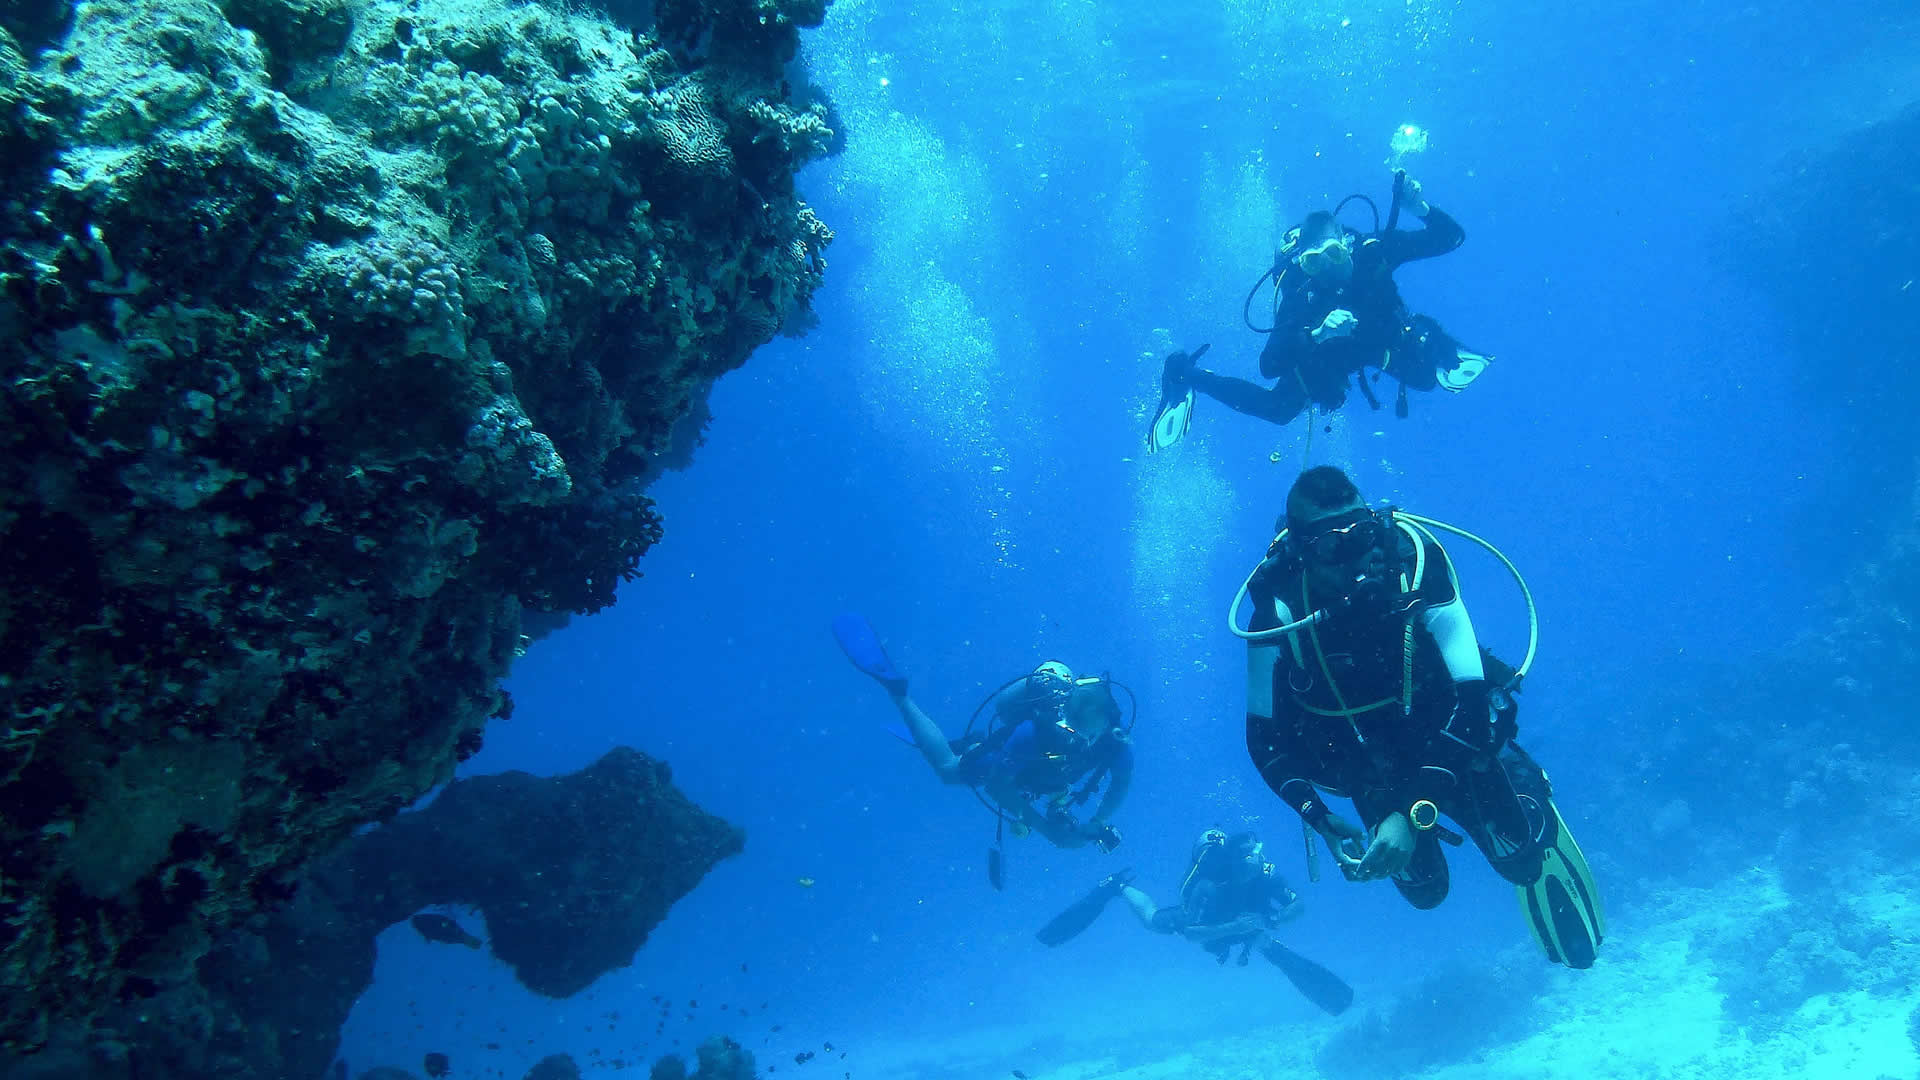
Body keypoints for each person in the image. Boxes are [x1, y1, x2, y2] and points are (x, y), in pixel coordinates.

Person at [1232, 466, 1605, 969]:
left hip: (1450, 736)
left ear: (1374, 527)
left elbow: (1471, 702)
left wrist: (1411, 810)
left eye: (1361, 536)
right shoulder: (1276, 608)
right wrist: (1318, 817)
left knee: (1523, 861)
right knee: (1425, 893)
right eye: (1330, 547)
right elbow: (1263, 741)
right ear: (1299, 549)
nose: (1355, 561)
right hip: (1364, 763)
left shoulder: (1416, 564)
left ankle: (1524, 783)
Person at [1145, 175, 1492, 452]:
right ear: (1302, 262)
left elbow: (1451, 237)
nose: (1326, 270)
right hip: (1329, 356)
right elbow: (1269, 367)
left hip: (1377, 339)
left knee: (1425, 377)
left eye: (1335, 255)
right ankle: (1184, 375)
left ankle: (1436, 343)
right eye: (1314, 261)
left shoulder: (1375, 254)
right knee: (1278, 411)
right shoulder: (1301, 291)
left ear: (1348, 244)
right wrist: (1317, 335)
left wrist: (1420, 207)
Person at [831, 614, 1132, 853]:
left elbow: (1119, 783)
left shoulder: (1115, 746)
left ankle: (977, 744)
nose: (1077, 733)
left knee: (1052, 783)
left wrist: (1096, 822)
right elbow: (997, 787)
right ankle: (899, 694)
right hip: (1017, 756)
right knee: (949, 770)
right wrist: (1046, 830)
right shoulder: (1039, 731)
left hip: (1037, 766)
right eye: (1074, 722)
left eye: (1086, 727)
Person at [1034, 829, 1353, 1015]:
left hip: (1246, 922)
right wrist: (1236, 928)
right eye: (1253, 854)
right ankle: (1118, 886)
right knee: (1152, 920)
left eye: (1258, 853)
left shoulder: (1267, 875)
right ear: (1238, 860)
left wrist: (1271, 918)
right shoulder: (1209, 886)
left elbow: (1297, 907)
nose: (1259, 858)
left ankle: (1262, 943)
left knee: (1263, 941)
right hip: (1204, 922)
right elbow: (1193, 935)